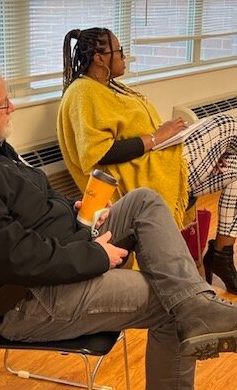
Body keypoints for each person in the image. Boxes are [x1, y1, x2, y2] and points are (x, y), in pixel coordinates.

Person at [0, 57, 237, 390]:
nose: (12, 106)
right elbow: (13, 257)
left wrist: (75, 208)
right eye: (2, 104)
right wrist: (95, 256)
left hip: (65, 252)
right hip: (28, 299)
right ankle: (195, 309)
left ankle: (197, 306)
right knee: (170, 302)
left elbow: (35, 201)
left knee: (144, 200)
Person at [57, 27, 237, 294]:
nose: (124, 57)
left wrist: (165, 139)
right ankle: (218, 257)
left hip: (163, 161)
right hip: (142, 176)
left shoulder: (110, 87)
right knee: (228, 124)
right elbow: (97, 153)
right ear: (99, 58)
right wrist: (155, 137)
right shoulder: (83, 92)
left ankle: (222, 254)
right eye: (119, 51)